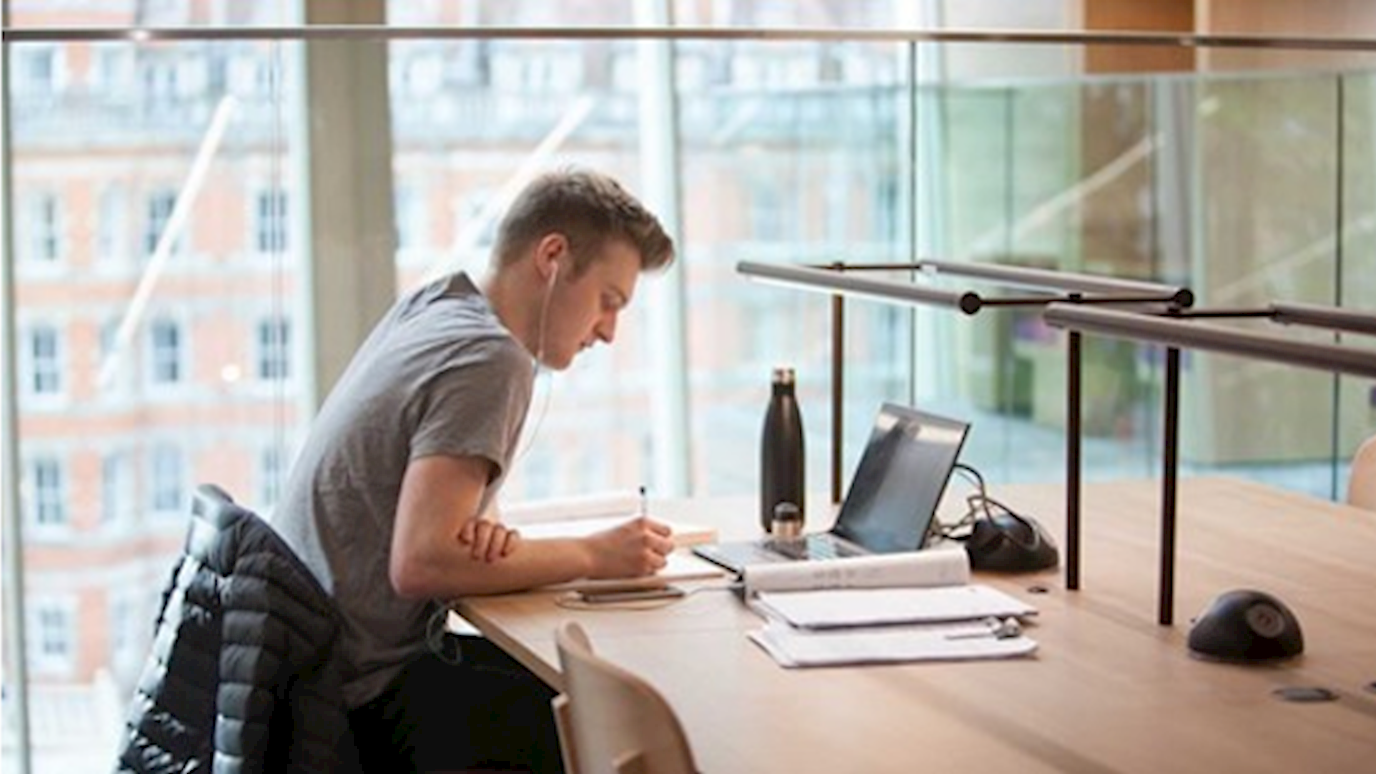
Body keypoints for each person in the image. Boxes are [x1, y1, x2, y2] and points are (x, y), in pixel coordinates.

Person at [274, 168, 678, 773]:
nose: (609, 331)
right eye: (608, 301)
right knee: (612, 730)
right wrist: (599, 556)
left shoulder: (439, 304)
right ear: (552, 256)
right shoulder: (491, 358)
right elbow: (423, 562)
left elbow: (434, 529)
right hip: (362, 696)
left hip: (304, 670)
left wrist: (476, 527)